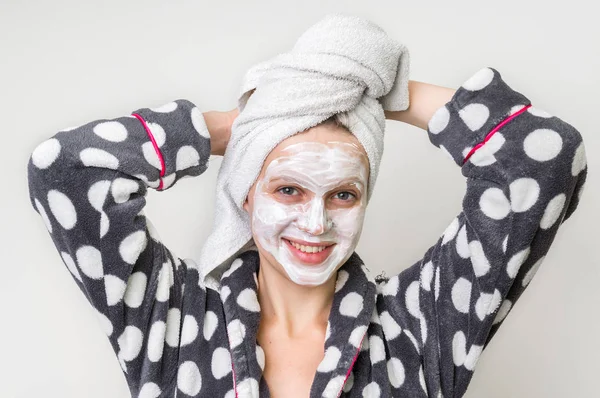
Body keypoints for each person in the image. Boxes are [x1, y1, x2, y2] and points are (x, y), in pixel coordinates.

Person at [27, 65, 587, 398]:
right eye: (287, 189)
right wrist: (250, 125)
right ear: (246, 194)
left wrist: (382, 88)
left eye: (343, 194)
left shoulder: (422, 322)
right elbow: (65, 169)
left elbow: (545, 159)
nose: (315, 224)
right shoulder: (171, 319)